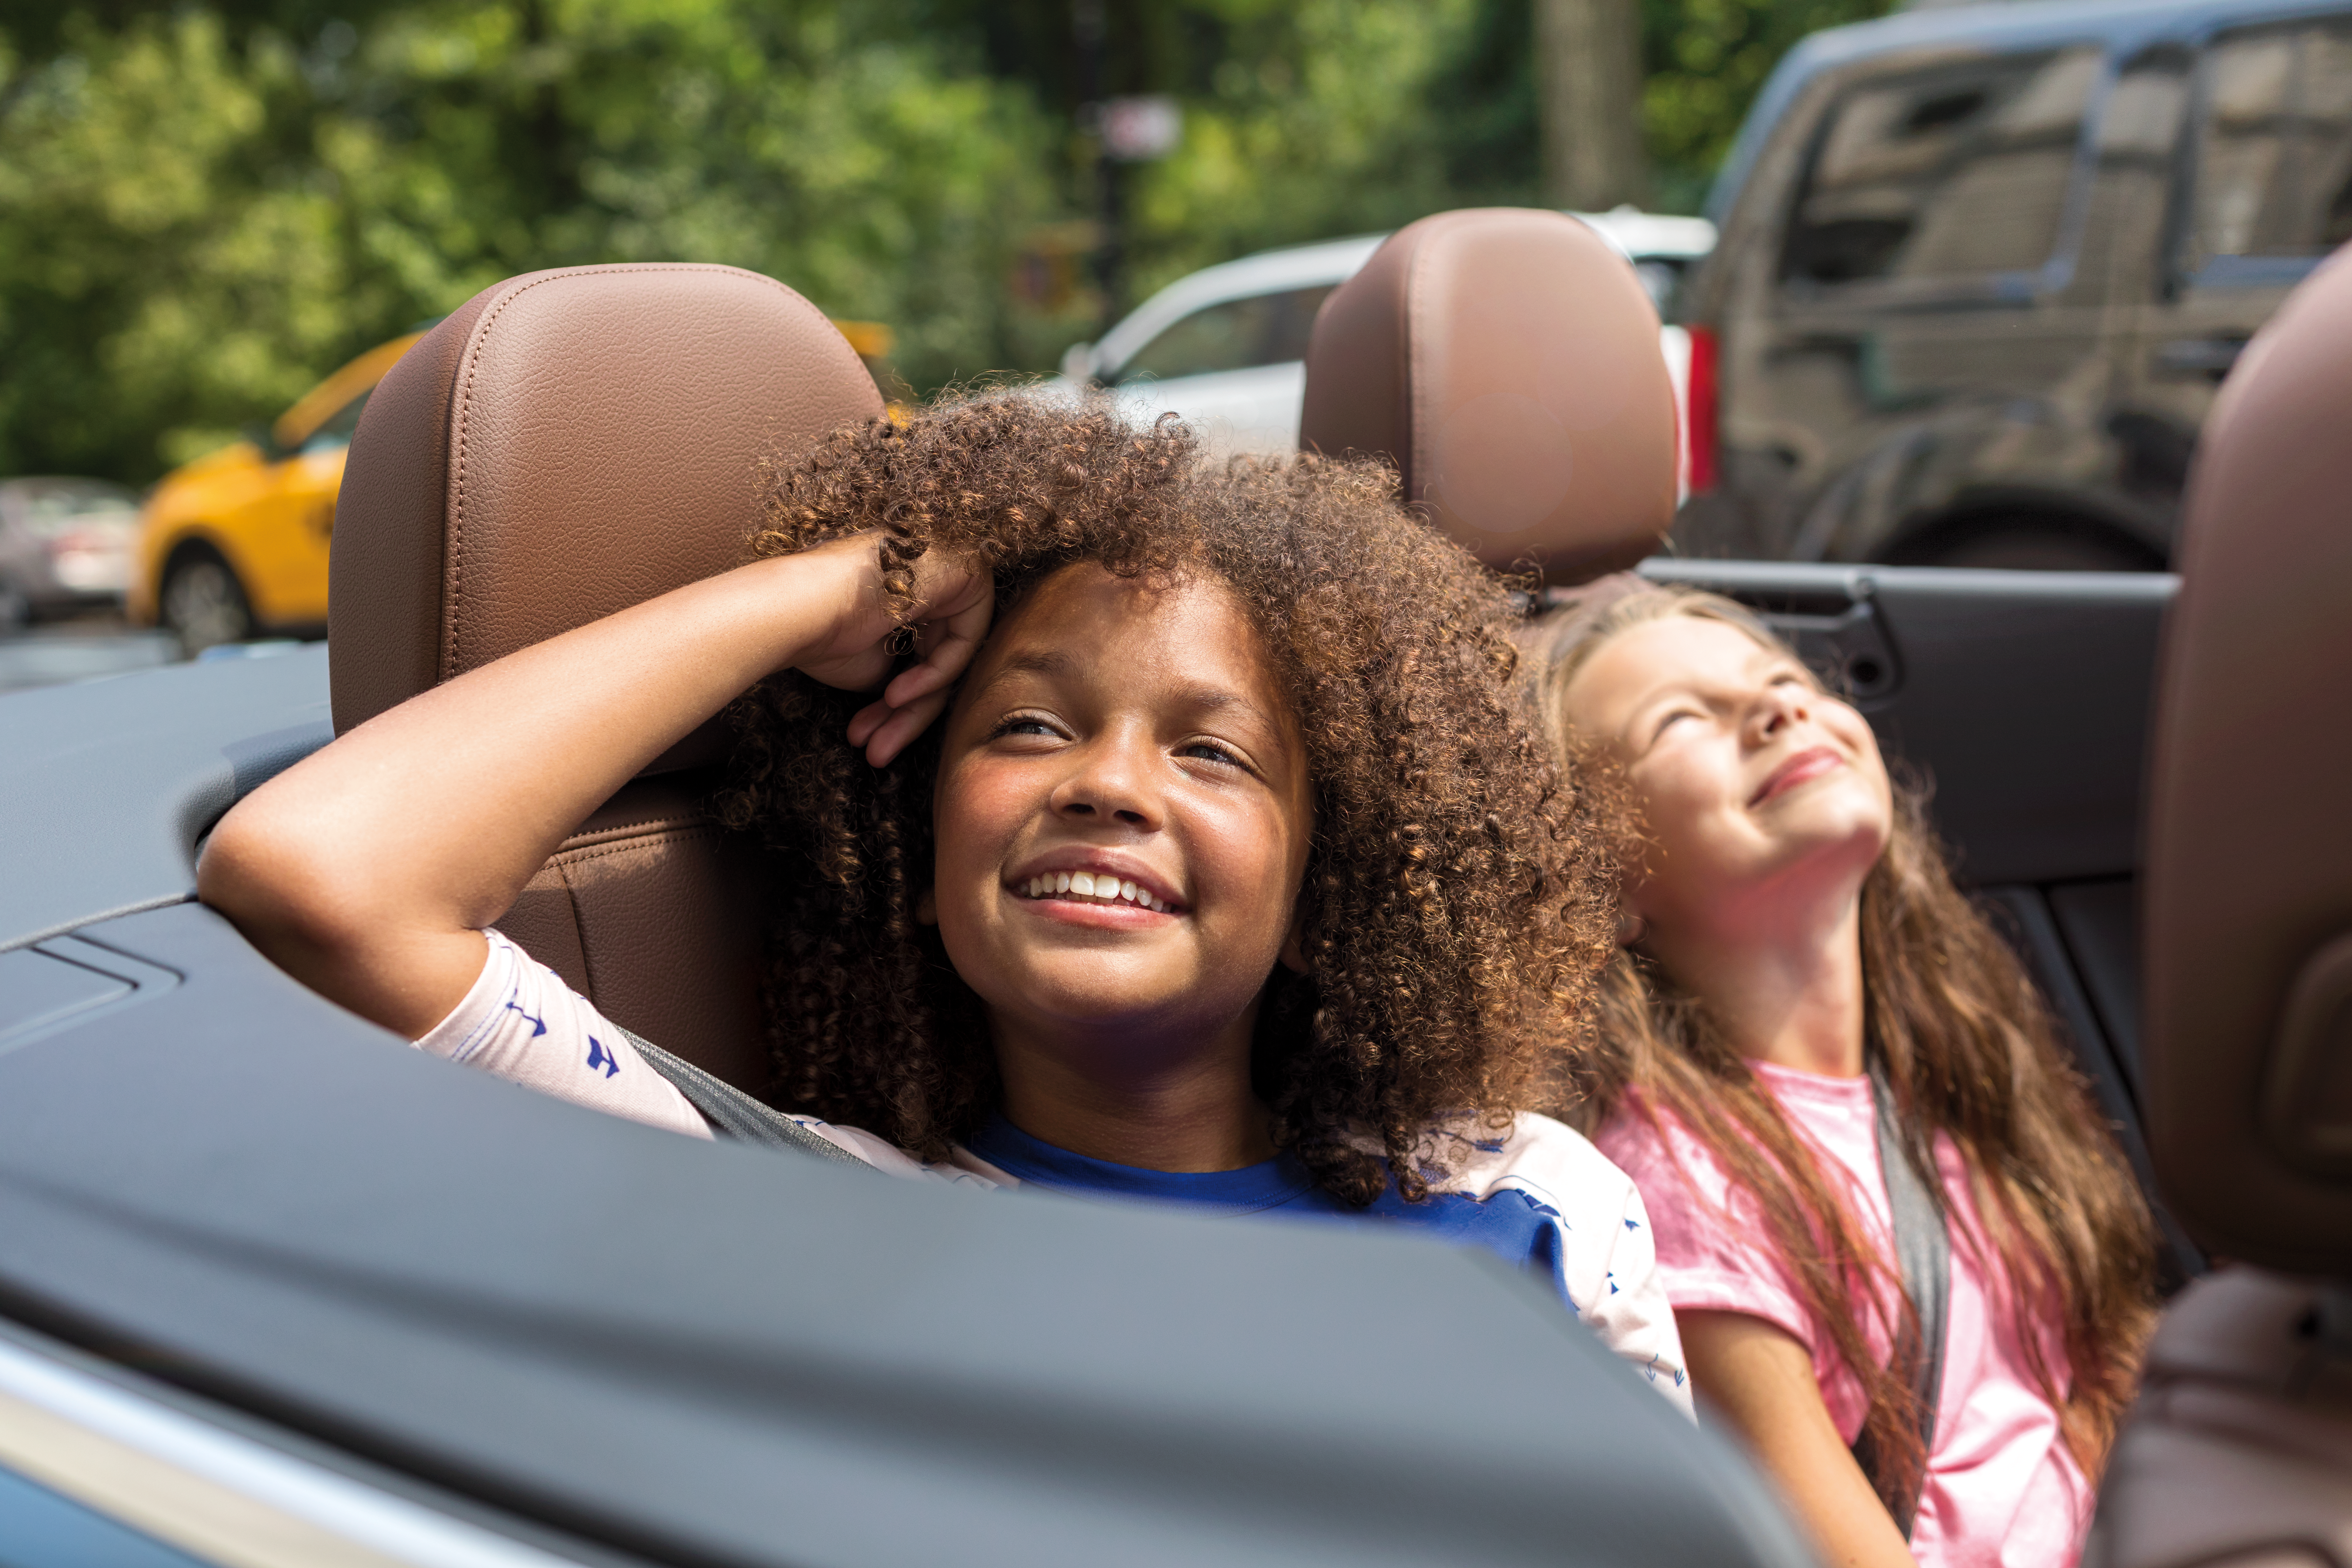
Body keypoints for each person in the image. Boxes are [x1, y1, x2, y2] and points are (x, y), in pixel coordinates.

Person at [198, 398, 1689, 1407]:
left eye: (1213, 751)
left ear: (1324, 896)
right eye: (1027, 726)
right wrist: (832, 590)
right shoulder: (812, 1207)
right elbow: (325, 877)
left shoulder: (1531, 1206)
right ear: (913, 868)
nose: (1108, 783)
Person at [1519, 583, 2157, 1564]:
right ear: (1596, 883)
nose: (1778, 709)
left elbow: (2099, 1377)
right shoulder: (1684, 1193)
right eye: (1682, 721)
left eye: (1783, 679)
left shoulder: (1946, 1064)